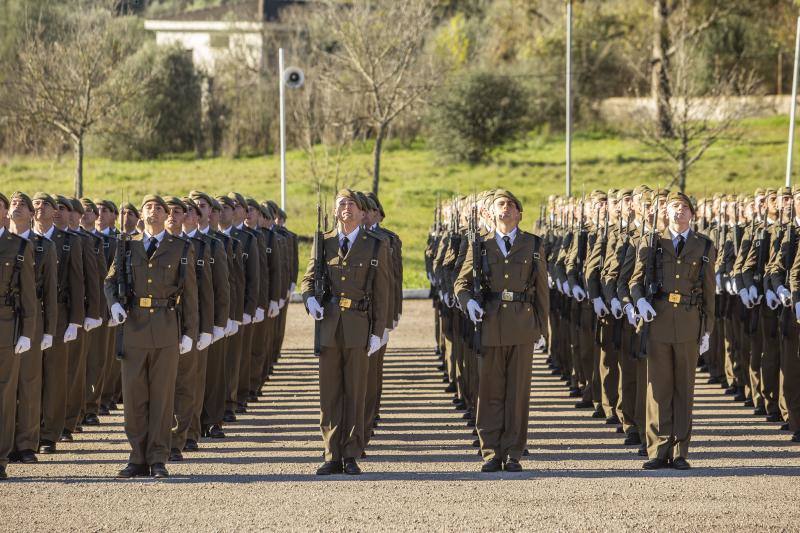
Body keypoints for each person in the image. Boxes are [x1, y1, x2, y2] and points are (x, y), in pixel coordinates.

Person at [454, 189, 549, 472]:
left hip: (522, 324)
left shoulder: (533, 244)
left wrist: (542, 329)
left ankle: (514, 451)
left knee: (518, 392)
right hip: (491, 323)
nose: (505, 209)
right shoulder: (479, 245)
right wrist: (468, 302)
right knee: (490, 390)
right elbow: (461, 283)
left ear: (519, 214)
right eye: (500, 205)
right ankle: (491, 451)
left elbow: (542, 290)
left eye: (510, 205)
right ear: (490, 213)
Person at [105, 195, 198, 479]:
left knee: (161, 397)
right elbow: (110, 281)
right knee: (134, 397)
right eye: (148, 207)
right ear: (141, 215)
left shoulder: (180, 247)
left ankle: (158, 457)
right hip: (133, 328)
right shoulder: (127, 244)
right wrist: (115, 304)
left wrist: (189, 333)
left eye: (159, 208)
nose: (154, 212)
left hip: (166, 327)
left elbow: (190, 293)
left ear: (166, 214)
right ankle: (137, 457)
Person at [301, 189, 390, 475]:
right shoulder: (323, 241)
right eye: (341, 203)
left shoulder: (375, 244)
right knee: (329, 394)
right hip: (328, 324)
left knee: (355, 391)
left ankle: (351, 452)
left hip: (358, 324)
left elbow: (382, 291)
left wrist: (378, 330)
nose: (346, 208)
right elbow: (309, 277)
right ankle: (331, 453)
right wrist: (309, 298)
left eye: (352, 204)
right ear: (335, 210)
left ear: (363, 213)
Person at [630, 191, 716, 470]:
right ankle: (657, 449)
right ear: (665, 213)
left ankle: (680, 451)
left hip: (690, 321)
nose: (679, 212)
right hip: (659, 320)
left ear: (693, 214)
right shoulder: (653, 242)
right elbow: (636, 279)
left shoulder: (703, 246)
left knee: (684, 388)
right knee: (658, 388)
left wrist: (707, 330)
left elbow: (709, 292)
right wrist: (640, 300)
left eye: (684, 208)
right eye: (673, 207)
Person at [0, 192, 36, 480]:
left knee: (3, 395)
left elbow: (28, 297)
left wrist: (26, 332)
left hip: (5, 326)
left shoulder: (18, 247)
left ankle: (0, 457)